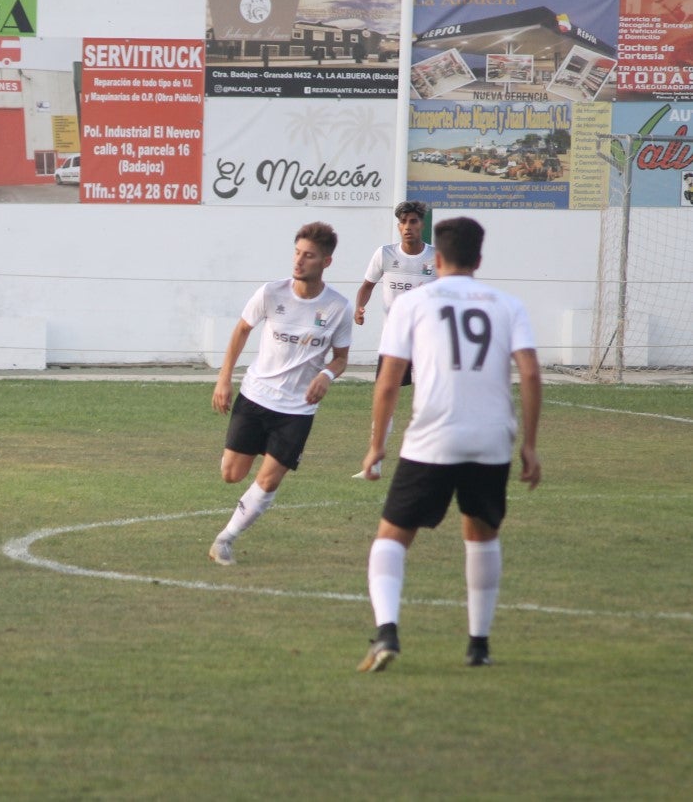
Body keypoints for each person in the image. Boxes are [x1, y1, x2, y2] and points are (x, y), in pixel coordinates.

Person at [356, 216, 541, 672]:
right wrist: (530, 445)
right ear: (479, 258)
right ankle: (478, 645)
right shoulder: (507, 304)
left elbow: (388, 380)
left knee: (391, 537)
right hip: (491, 439)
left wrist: (377, 444)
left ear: (436, 258)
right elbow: (532, 374)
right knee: (481, 537)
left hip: (431, 439)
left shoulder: (413, 303)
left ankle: (387, 633)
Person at [208, 222, 353, 565]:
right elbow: (242, 330)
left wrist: (327, 375)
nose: (299, 261)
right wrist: (224, 378)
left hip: (297, 410)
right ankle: (258, 450)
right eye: (297, 253)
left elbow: (342, 358)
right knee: (231, 474)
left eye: (309, 256)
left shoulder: (338, 308)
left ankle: (225, 539)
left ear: (326, 262)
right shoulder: (271, 293)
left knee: (269, 479)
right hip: (256, 396)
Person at [352, 200, 436, 479]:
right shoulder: (385, 254)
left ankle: (432, 463)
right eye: (403, 222)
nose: (408, 227)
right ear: (398, 226)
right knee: (384, 400)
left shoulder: (436, 258)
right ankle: (374, 463)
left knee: (428, 403)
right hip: (394, 343)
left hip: (426, 343)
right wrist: (359, 307)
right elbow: (366, 286)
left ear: (421, 225)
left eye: (413, 221)